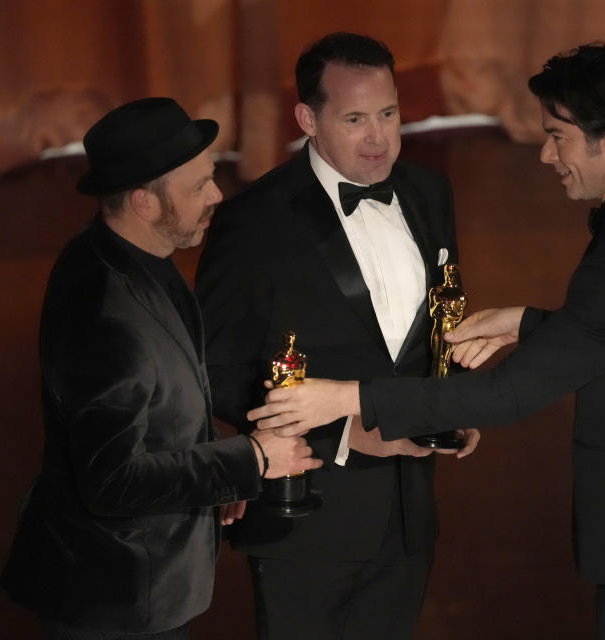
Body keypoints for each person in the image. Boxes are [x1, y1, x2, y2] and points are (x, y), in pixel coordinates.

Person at [248, 43, 605, 640]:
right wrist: (525, 321)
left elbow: (507, 394)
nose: (547, 154)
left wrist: (345, 399)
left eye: (559, 136)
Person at [0, 97, 321, 640]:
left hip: (138, 585)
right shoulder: (108, 317)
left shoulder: (130, 255)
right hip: (115, 597)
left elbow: (158, 402)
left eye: (211, 178)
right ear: (144, 202)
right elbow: (113, 481)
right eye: (198, 187)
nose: (217, 195)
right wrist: (252, 458)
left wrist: (220, 468)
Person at [195, 32, 479, 640]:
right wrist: (347, 431)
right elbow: (217, 370)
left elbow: (440, 319)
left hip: (410, 516)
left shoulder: (430, 193)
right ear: (308, 119)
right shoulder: (254, 221)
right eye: (354, 119)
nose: (378, 137)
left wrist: (457, 398)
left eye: (388, 113)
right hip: (307, 518)